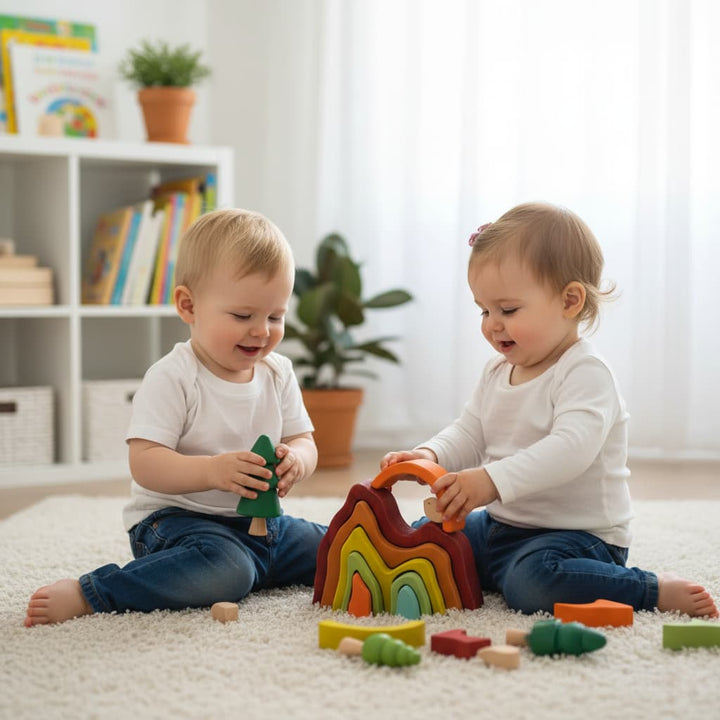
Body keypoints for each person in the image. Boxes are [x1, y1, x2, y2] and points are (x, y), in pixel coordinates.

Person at [382, 202, 718, 618]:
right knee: (425, 537)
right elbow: (470, 431)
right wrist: (430, 454)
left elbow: (569, 450)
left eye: (507, 310)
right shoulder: (497, 371)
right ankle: (493, 568)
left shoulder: (584, 372)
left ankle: (650, 589)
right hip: (502, 525)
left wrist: (490, 481)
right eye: (484, 310)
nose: (491, 324)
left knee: (532, 586)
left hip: (578, 537)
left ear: (570, 301)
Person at [25, 209, 326, 626]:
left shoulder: (279, 373)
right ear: (189, 305)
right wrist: (212, 472)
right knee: (227, 571)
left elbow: (304, 440)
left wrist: (298, 460)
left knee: (336, 546)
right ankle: (93, 592)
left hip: (262, 523)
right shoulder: (174, 377)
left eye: (275, 316)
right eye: (243, 316)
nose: (262, 331)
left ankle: (260, 565)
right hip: (177, 522)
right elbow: (145, 462)